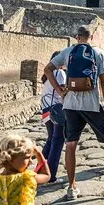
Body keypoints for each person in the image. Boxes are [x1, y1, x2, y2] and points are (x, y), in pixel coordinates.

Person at [43, 25, 104, 200]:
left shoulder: (67, 52)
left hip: (70, 105)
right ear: (91, 37)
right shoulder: (98, 53)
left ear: (77, 37)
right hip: (92, 105)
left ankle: (72, 188)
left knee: (71, 145)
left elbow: (47, 69)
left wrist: (60, 91)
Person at [40, 51, 66, 183]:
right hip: (56, 110)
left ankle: (40, 171)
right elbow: (63, 91)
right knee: (57, 142)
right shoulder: (59, 73)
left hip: (45, 110)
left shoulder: (46, 76)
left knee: (51, 140)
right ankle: (51, 176)